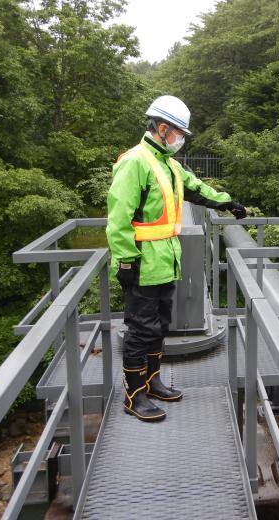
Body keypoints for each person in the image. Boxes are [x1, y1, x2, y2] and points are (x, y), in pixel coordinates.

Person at [106, 95, 246, 422]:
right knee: (140, 330)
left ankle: (152, 382)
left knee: (159, 326)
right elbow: (118, 219)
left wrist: (227, 203)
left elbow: (197, 189)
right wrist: (126, 262)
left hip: (166, 261)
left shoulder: (169, 164)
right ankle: (134, 394)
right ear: (163, 128)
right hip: (141, 263)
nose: (181, 140)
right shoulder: (135, 161)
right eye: (179, 133)